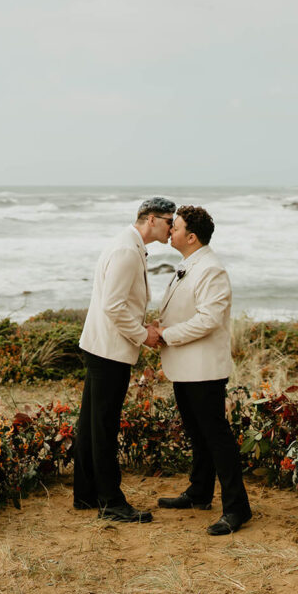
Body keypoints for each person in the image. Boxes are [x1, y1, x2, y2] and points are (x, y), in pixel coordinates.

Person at [72, 197, 175, 523]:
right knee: (103, 426)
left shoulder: (127, 245)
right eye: (169, 221)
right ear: (152, 220)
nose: (172, 228)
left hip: (102, 345)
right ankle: (111, 502)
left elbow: (117, 304)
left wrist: (141, 326)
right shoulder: (127, 252)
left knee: (90, 424)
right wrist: (143, 335)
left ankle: (85, 494)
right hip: (109, 350)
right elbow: (114, 306)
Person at [152, 205, 252, 535]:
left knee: (217, 438)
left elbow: (209, 320)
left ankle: (237, 508)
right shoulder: (189, 264)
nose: (170, 231)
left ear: (191, 237)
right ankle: (199, 492)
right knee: (198, 435)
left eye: (176, 227)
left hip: (204, 369)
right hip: (185, 368)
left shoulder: (211, 269)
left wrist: (166, 334)